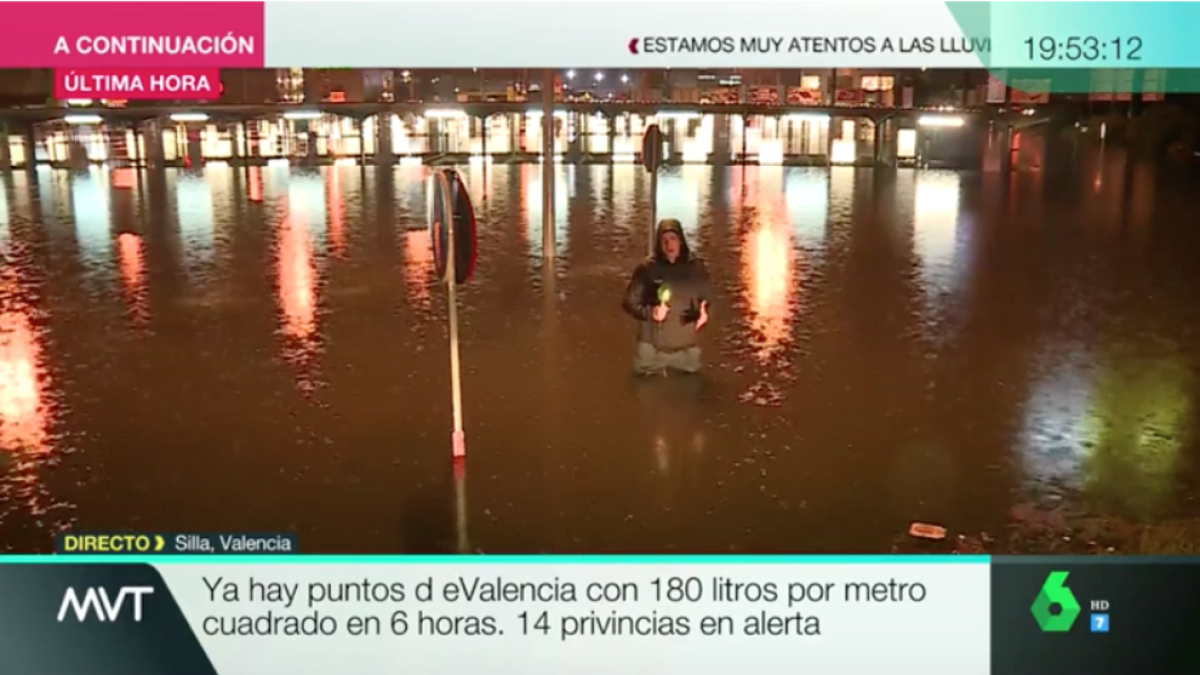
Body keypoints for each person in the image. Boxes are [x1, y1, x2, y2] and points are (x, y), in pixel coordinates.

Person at [621, 218, 712, 375]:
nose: (669, 245)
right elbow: (629, 302)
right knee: (646, 394)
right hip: (652, 352)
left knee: (692, 392)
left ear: (681, 241)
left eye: (673, 239)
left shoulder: (696, 268)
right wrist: (651, 312)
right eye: (664, 240)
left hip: (687, 353)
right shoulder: (647, 269)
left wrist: (704, 312)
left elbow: (707, 297)